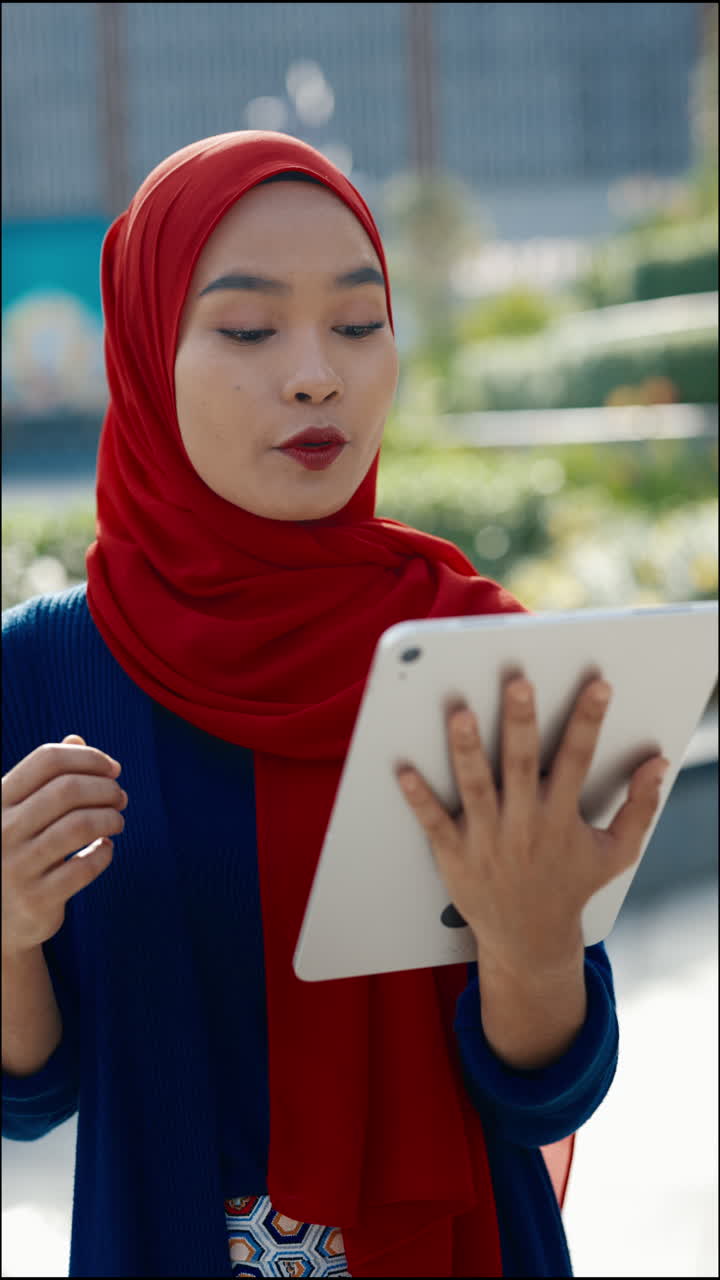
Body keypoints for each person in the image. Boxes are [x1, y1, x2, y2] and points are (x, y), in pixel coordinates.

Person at [1, 131, 668, 1280]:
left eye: (360, 325)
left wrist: (530, 942)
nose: (317, 372)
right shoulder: (48, 671)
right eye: (250, 328)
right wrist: (9, 927)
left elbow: (556, 1079)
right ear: (149, 351)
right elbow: (31, 1096)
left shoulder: (478, 653)